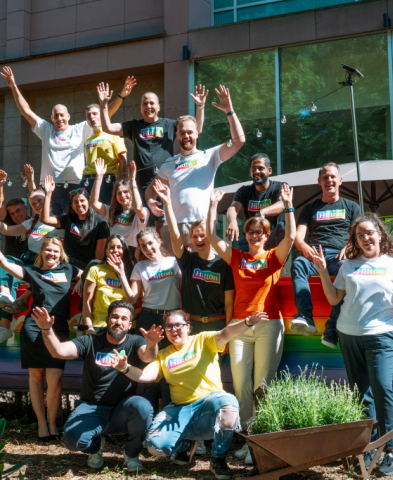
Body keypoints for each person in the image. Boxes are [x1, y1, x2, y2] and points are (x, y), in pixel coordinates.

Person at [313, 213, 393, 476]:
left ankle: (391, 450)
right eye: (359, 235)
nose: (365, 238)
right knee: (361, 393)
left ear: (380, 234)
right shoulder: (348, 266)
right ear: (356, 240)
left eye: (369, 232)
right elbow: (333, 299)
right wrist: (321, 271)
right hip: (349, 335)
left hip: (381, 336)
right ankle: (367, 446)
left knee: (383, 389)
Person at [108, 309, 269, 480]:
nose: (174, 329)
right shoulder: (163, 355)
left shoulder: (203, 340)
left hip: (209, 404)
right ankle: (186, 443)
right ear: (165, 331)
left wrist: (247, 322)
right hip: (179, 409)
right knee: (155, 446)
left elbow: (226, 333)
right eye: (169, 326)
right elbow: (144, 376)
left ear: (188, 327)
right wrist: (124, 368)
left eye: (179, 325)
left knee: (228, 404)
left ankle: (218, 459)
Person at [206, 184, 295, 465]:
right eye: (250, 232)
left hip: (269, 325)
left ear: (267, 236)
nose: (255, 236)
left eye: (260, 232)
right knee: (242, 384)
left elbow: (291, 236)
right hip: (240, 327)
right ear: (245, 235)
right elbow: (210, 236)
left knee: (262, 385)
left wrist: (289, 206)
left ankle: (261, 441)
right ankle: (247, 440)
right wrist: (213, 206)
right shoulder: (237, 257)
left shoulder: (273, 258)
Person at [32, 300, 163, 473]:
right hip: (91, 408)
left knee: (142, 406)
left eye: (124, 318)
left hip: (122, 410)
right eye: (115, 317)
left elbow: (147, 357)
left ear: (129, 324)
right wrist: (46, 329)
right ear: (108, 319)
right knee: (72, 440)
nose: (119, 321)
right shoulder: (91, 341)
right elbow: (59, 351)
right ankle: (95, 447)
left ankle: (131, 454)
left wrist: (152, 343)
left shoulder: (135, 341)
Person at [0, 67, 134, 215]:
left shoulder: (80, 129)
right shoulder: (46, 129)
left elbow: (105, 114)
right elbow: (26, 111)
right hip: (50, 188)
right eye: (56, 116)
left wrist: (120, 96)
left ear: (68, 116)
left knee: (74, 226)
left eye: (62, 115)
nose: (59, 119)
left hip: (75, 186)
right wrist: (13, 85)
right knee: (50, 225)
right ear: (52, 118)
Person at [145, 86, 245, 253]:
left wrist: (229, 111)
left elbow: (239, 141)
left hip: (202, 227)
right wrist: (150, 202)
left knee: (202, 275)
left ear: (197, 133)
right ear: (177, 135)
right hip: (174, 227)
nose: (187, 136)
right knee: (174, 277)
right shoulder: (169, 164)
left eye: (190, 132)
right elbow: (150, 190)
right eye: (182, 133)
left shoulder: (210, 155)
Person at [97, 82, 208, 232]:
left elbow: (198, 129)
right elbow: (107, 128)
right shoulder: (134, 126)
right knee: (141, 226)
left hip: (164, 183)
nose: (148, 106)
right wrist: (104, 105)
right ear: (141, 108)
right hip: (141, 184)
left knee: (162, 225)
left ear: (158, 107)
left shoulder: (169, 124)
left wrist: (200, 107)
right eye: (145, 103)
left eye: (152, 103)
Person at [0, 238, 82, 440]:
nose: (51, 254)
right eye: (48, 250)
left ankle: (53, 424)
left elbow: (88, 272)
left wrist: (81, 282)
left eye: (55, 251)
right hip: (33, 328)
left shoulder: (68, 269)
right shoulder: (33, 272)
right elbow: (8, 266)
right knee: (35, 378)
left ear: (60, 253)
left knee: (55, 381)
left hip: (58, 329)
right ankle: (42, 426)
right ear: (42, 252)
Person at [109, 227, 181, 412]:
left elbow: (183, 290)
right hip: (149, 318)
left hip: (171, 320)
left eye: (150, 243)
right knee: (149, 370)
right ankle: (148, 422)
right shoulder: (140, 267)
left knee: (168, 370)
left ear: (158, 242)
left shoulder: (174, 262)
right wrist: (122, 273)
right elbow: (132, 298)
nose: (148, 248)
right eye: (143, 246)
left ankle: (167, 418)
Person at [291, 162, 361, 343]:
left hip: (340, 257)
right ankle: (305, 316)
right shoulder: (309, 208)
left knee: (349, 272)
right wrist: (304, 247)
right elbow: (298, 237)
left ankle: (331, 328)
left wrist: (349, 247)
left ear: (340, 180)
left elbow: (359, 235)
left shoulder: (352, 207)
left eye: (332, 176)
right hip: (314, 255)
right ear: (319, 182)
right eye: (325, 177)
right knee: (298, 264)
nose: (329, 180)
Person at [154, 181, 235, 335]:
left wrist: (228, 333)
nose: (199, 240)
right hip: (192, 327)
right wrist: (167, 202)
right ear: (190, 238)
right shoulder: (187, 260)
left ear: (210, 237)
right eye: (195, 236)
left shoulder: (224, 264)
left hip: (217, 326)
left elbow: (229, 302)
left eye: (203, 236)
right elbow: (174, 234)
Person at [0, 184, 62, 343]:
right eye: (34, 203)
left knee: (10, 265)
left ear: (47, 199)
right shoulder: (30, 224)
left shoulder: (57, 221)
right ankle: (5, 309)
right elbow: (6, 229)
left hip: (48, 263)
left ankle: (5, 322)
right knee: (8, 263)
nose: (37, 205)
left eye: (40, 201)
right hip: (29, 262)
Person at [40, 176, 109, 269]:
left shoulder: (100, 223)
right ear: (72, 206)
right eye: (75, 202)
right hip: (68, 265)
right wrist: (48, 194)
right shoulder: (68, 219)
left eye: (82, 200)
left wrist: (93, 273)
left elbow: (99, 257)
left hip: (88, 267)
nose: (79, 204)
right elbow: (45, 219)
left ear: (88, 202)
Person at [226, 153, 287, 251]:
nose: (256, 171)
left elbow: (284, 204)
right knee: (235, 262)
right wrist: (233, 221)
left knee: (284, 226)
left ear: (269, 170)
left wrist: (262, 212)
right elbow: (233, 207)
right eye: (253, 169)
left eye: (261, 168)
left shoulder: (280, 187)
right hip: (251, 240)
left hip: (273, 240)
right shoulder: (244, 191)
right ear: (250, 171)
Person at [90, 159, 148, 259]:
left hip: (133, 254)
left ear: (131, 193)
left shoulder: (143, 211)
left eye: (126, 192)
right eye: (119, 193)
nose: (123, 195)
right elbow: (93, 203)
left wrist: (132, 180)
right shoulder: (111, 211)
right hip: (114, 252)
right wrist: (99, 177)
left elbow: (138, 208)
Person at [82, 235, 134, 334]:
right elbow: (87, 302)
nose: (115, 250)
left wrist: (126, 320)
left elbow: (137, 305)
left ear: (125, 251)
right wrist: (88, 327)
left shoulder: (132, 274)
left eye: (119, 247)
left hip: (122, 328)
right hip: (98, 326)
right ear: (106, 252)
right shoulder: (95, 270)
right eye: (111, 247)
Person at [81, 102, 129, 203]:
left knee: (105, 215)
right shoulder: (87, 140)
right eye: (88, 115)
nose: (91, 117)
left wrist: (123, 184)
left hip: (106, 181)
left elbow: (122, 161)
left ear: (103, 115)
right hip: (86, 181)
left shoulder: (114, 135)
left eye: (95, 114)